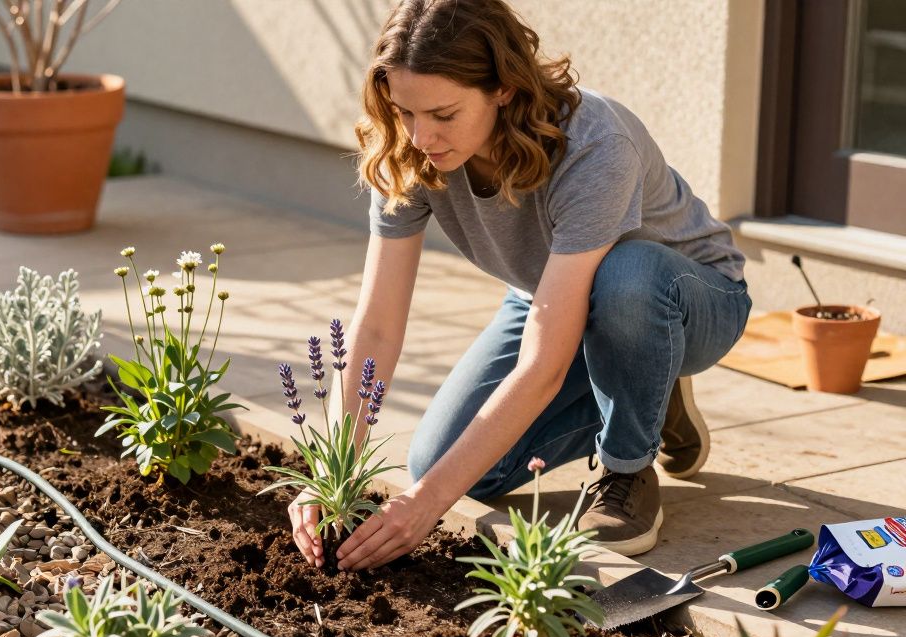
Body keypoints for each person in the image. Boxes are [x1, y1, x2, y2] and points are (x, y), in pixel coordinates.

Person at [286, 0, 751, 571]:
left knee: (625, 278)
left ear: (503, 88)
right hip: (552, 294)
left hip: (691, 296)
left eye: (444, 114)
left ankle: (627, 466)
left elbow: (543, 364)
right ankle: (650, 393)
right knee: (444, 464)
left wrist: (426, 506)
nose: (421, 134)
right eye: (405, 110)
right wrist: (333, 473)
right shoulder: (408, 149)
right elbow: (378, 324)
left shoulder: (594, 145)